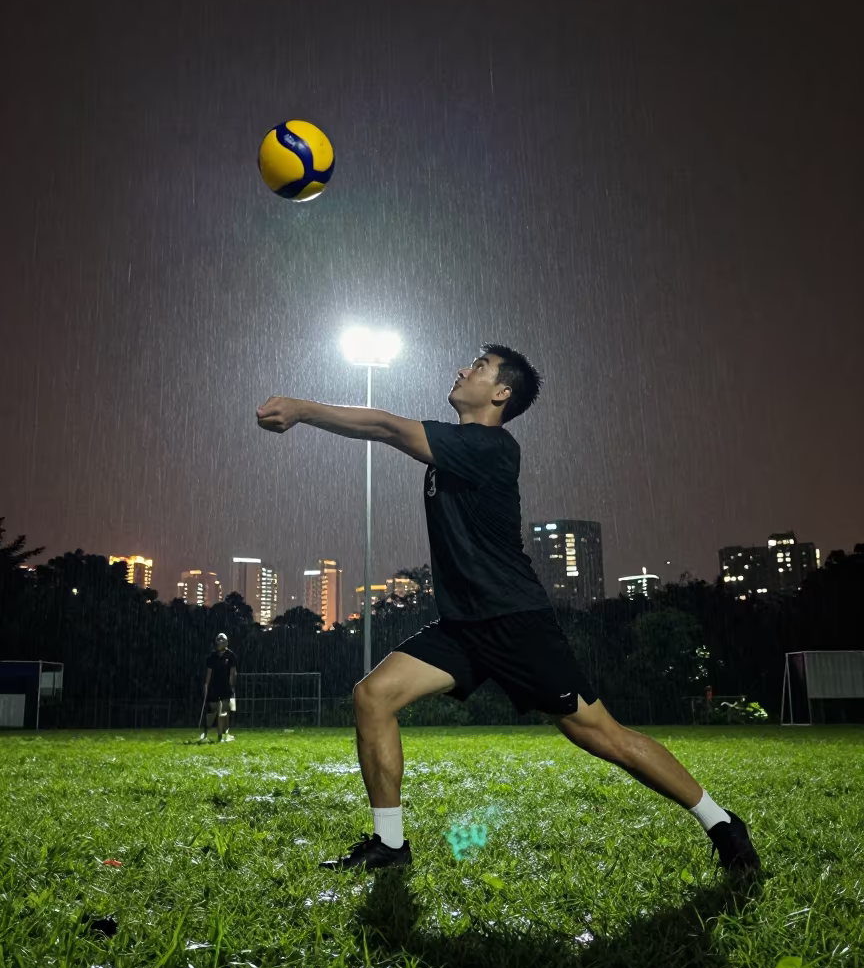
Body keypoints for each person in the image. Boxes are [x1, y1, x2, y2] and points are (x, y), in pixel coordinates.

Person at [256, 344, 760, 876]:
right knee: (373, 695)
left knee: (601, 736)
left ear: (501, 393)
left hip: (515, 622)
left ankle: (722, 823)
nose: (462, 370)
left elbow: (385, 426)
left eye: (478, 367)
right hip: (463, 626)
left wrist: (302, 408)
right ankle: (390, 845)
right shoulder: (456, 445)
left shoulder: (491, 447)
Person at [202, 632, 237, 742]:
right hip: (213, 687)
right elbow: (209, 672)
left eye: (223, 640)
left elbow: (233, 672)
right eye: (219, 640)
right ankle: (205, 733)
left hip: (226, 688)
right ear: (217, 642)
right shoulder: (212, 656)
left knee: (224, 712)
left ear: (226, 642)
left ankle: (222, 735)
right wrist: (206, 685)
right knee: (212, 712)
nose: (221, 642)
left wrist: (232, 687)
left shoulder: (231, 656)